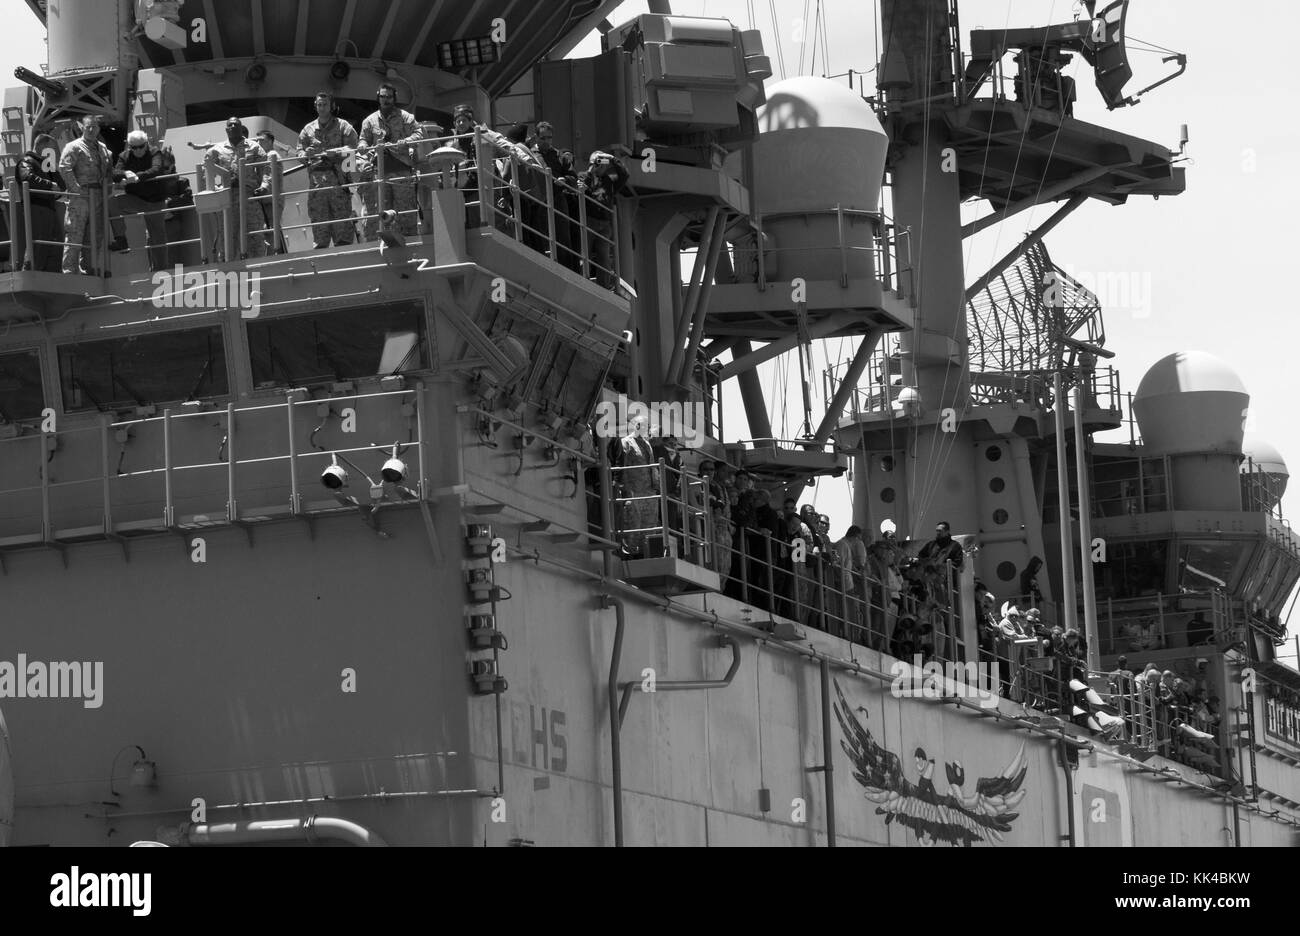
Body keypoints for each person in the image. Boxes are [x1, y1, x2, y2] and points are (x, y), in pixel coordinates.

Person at [59, 115, 123, 275]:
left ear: (99, 129)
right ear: (82, 128)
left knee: (95, 235)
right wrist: (76, 189)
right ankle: (69, 269)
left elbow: (109, 170)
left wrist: (108, 189)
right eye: (88, 127)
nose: (91, 129)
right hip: (80, 197)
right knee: (75, 233)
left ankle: (88, 266)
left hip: (99, 196)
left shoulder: (103, 148)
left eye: (94, 126)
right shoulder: (74, 147)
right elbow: (64, 168)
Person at [358, 83, 422, 239]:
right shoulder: (370, 120)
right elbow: (362, 140)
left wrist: (406, 140)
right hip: (379, 172)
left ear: (394, 98)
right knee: (380, 210)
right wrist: (363, 147)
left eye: (389, 97)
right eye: (382, 97)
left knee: (405, 210)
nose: (385, 100)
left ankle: (410, 240)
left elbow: (419, 133)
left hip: (401, 170)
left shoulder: (405, 117)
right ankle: (382, 241)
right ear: (378, 97)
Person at [297, 91, 359, 248]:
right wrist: (305, 154)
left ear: (331, 106)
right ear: (315, 106)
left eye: (325, 104)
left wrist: (337, 152)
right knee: (319, 226)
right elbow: (299, 152)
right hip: (317, 185)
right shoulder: (308, 129)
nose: (322, 107)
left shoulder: (343, 126)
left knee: (342, 227)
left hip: (338, 182)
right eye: (319, 104)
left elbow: (354, 148)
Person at [204, 117, 270, 261]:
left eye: (236, 124)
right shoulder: (217, 150)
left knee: (254, 232)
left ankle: (259, 263)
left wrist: (264, 186)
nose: (233, 126)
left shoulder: (254, 147)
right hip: (227, 198)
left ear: (241, 128)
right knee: (228, 234)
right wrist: (216, 188)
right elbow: (207, 173)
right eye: (230, 125)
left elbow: (266, 168)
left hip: (248, 197)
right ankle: (229, 267)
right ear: (226, 129)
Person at [112, 130, 169, 272]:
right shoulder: (124, 156)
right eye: (133, 147)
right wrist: (125, 173)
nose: (137, 150)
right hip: (135, 199)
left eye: (141, 146)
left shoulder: (155, 152)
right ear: (129, 146)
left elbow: (157, 169)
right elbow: (114, 172)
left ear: (146, 144)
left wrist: (137, 177)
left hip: (155, 201)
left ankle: (160, 272)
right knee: (112, 203)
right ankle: (121, 239)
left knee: (157, 238)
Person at [576, 150, 630, 287]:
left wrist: (611, 159)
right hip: (588, 220)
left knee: (604, 258)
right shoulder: (583, 176)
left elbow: (624, 175)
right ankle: (582, 281)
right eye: (599, 163)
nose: (602, 167)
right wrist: (591, 169)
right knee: (584, 254)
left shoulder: (609, 181)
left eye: (604, 165)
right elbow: (583, 187)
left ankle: (603, 285)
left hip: (604, 223)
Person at [533, 121, 578, 269]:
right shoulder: (529, 153)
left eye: (549, 138)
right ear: (536, 137)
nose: (546, 141)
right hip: (537, 200)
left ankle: (566, 269)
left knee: (563, 237)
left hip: (557, 199)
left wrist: (565, 180)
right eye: (543, 138)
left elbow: (573, 176)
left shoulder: (559, 156)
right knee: (539, 234)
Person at [13, 149, 64, 272]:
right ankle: (31, 273)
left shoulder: (45, 164)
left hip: (49, 208)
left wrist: (51, 166)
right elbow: (27, 177)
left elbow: (62, 185)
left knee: (55, 244)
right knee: (39, 244)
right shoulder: (25, 161)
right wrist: (50, 184)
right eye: (48, 147)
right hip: (36, 206)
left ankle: (52, 276)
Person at [253, 130, 288, 253]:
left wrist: (263, 189)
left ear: (270, 141)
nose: (258, 143)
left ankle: (274, 255)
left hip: (271, 199)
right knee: (269, 229)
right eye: (257, 140)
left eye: (261, 140)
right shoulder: (266, 155)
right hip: (268, 199)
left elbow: (269, 176)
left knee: (271, 230)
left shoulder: (271, 155)